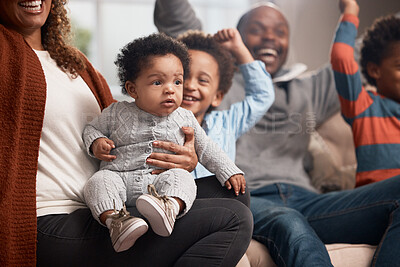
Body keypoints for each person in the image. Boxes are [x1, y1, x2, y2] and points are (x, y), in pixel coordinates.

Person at [0, 0, 253, 266]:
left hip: (116, 200)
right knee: (234, 219)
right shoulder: (6, 56)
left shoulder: (75, 65)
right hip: (55, 216)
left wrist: (187, 159)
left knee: (235, 192)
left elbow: (126, 130)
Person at [155, 1, 400, 266]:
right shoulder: (214, 84)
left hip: (308, 201)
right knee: (288, 221)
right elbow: (179, 27)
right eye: (258, 29)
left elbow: (366, 48)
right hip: (246, 197)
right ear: (237, 36)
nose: (270, 36)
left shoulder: (310, 89)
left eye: (280, 31)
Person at [83, 32, 246, 252]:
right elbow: (91, 128)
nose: (170, 89)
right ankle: (117, 222)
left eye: (177, 81)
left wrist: (230, 171)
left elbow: (206, 148)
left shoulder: (184, 117)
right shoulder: (116, 113)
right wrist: (97, 142)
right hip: (119, 178)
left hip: (159, 185)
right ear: (133, 90)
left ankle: (168, 208)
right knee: (98, 182)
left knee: (181, 178)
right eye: (158, 82)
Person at [176, 29, 274, 189]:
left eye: (202, 80)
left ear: (217, 97)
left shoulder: (227, 123)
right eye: (182, 77)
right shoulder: (153, 123)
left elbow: (262, 95)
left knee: (241, 195)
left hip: (217, 202)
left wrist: (239, 50)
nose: (190, 85)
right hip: (172, 201)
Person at [331, 1, 400, 187]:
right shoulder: (364, 105)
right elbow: (341, 58)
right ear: (374, 70)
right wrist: (350, 11)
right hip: (373, 204)